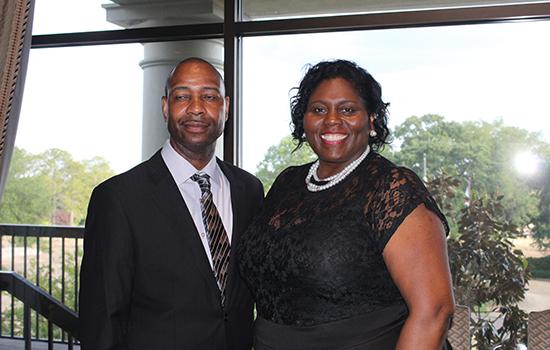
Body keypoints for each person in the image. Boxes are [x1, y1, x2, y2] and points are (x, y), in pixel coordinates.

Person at [238, 59, 455, 349]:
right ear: (303, 120)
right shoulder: (287, 183)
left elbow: (434, 311)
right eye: (318, 109)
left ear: (372, 120)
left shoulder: (391, 187)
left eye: (347, 110)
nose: (331, 120)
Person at [79, 57, 264, 350]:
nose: (196, 108)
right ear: (165, 107)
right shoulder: (118, 199)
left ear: (226, 107)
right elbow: (102, 321)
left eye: (209, 96)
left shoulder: (249, 190)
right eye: (182, 96)